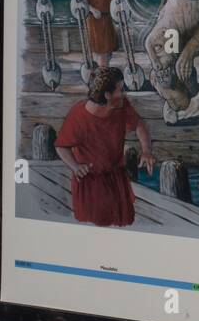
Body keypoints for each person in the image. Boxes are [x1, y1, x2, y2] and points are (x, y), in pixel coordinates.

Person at [55, 67, 155, 227]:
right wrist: (75, 166)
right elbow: (61, 146)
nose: (124, 94)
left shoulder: (122, 106)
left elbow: (139, 125)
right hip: (91, 185)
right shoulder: (79, 115)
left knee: (124, 226)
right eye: (121, 89)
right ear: (107, 95)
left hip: (118, 180)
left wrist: (146, 151)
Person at [81, 0, 117, 68]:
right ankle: (101, 79)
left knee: (108, 55)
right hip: (95, 24)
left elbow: (115, 3)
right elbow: (81, 1)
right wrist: (92, 9)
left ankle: (103, 77)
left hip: (107, 24)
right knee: (100, 57)